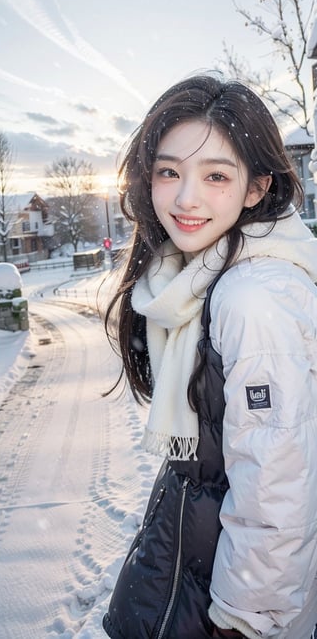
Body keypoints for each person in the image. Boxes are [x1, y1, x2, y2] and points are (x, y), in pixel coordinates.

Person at [102, 73, 317, 639]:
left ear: (256, 187)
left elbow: (278, 483)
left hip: (234, 605)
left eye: (216, 175)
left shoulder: (252, 297)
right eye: (169, 171)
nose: (185, 197)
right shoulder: (200, 275)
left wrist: (243, 622)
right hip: (196, 563)